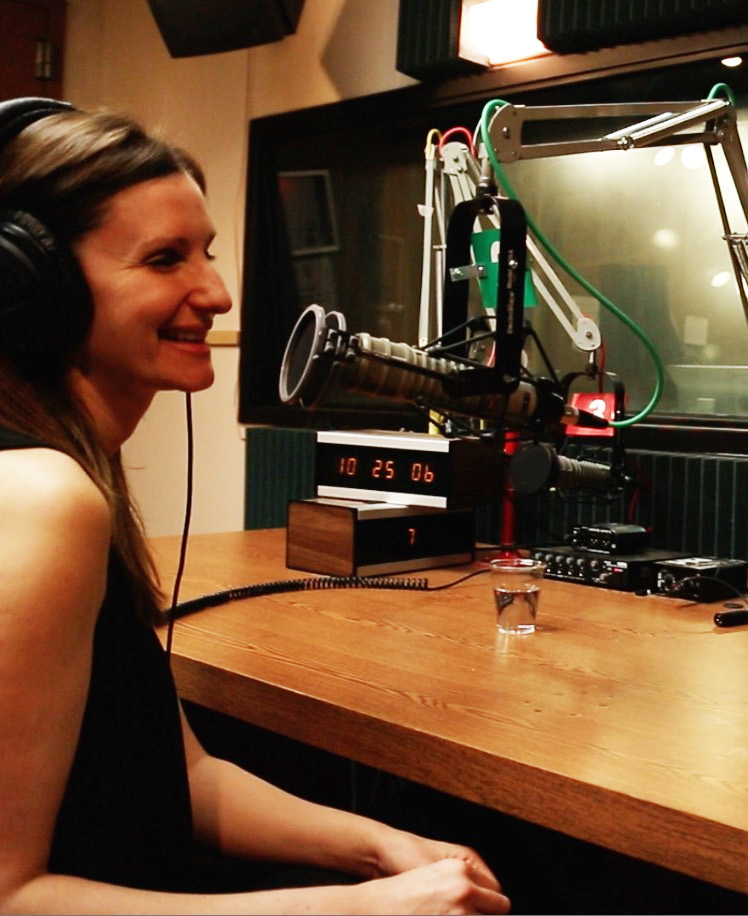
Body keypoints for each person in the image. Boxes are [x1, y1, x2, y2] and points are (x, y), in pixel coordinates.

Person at [0, 98, 510, 913]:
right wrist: (364, 908)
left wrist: (379, 848)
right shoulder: (43, 497)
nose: (218, 292)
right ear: (30, 289)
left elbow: (187, 778)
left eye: (207, 252)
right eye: (165, 259)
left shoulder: (66, 473)